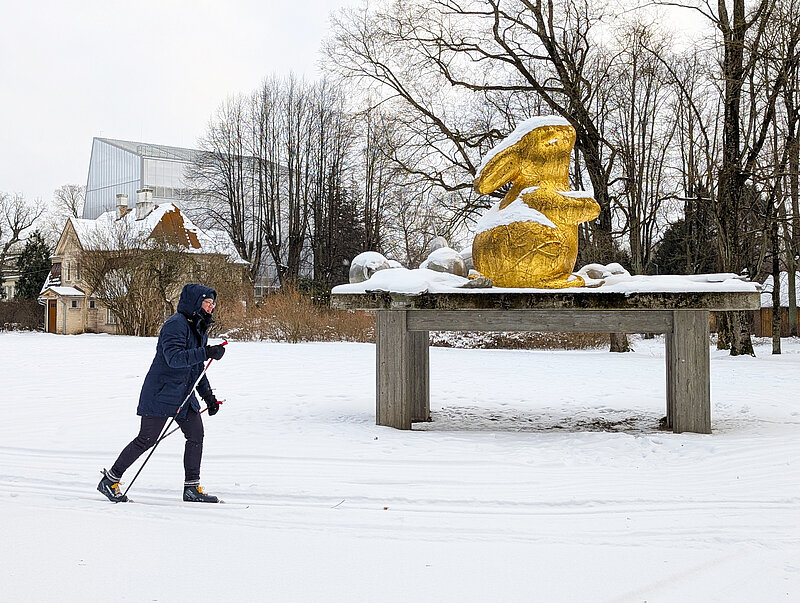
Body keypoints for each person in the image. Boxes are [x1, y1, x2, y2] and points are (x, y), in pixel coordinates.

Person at [97, 283, 227, 503]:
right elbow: (174, 359)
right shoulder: (175, 325)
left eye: (213, 303)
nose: (211, 307)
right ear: (196, 303)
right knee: (146, 439)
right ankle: (110, 480)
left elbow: (195, 369)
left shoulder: (198, 327)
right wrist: (205, 352)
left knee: (196, 434)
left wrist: (209, 398)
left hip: (184, 394)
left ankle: (191, 489)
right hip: (161, 392)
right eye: (207, 302)